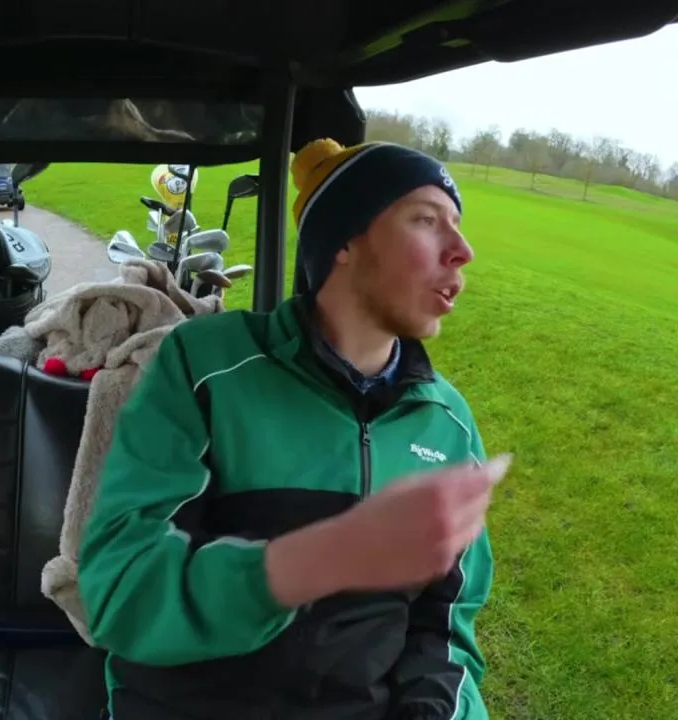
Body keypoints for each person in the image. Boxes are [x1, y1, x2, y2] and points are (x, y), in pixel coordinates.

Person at [78, 138, 509, 720]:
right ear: (345, 241)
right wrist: (317, 560)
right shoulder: (205, 367)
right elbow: (121, 593)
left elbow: (445, 628)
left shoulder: (447, 423)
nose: (462, 251)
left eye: (456, 226)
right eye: (426, 220)